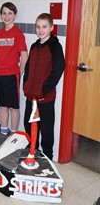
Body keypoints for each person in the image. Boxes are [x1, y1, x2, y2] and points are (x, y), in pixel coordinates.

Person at [23, 13, 65, 160]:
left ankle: (47, 157)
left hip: (45, 99)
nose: (41, 30)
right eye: (38, 27)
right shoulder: (34, 46)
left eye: (44, 27)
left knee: (46, 130)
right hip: (31, 97)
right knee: (30, 127)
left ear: (51, 28)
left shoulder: (55, 47)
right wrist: (26, 86)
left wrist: (43, 90)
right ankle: (31, 152)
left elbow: (58, 70)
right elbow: (27, 69)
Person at [0, 2, 28, 135]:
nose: (7, 16)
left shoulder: (18, 34)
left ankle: (13, 135)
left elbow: (24, 56)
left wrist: (19, 74)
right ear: (1, 15)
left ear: (15, 16)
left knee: (13, 107)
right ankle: (4, 133)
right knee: (3, 106)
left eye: (10, 13)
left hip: (11, 76)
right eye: (4, 13)